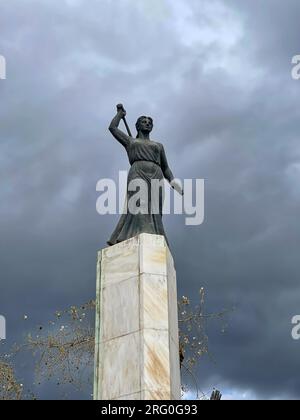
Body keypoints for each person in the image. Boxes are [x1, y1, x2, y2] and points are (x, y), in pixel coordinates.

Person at [107, 104, 183, 246]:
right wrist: (119, 115)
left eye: (149, 123)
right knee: (138, 204)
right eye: (144, 122)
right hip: (138, 173)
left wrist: (173, 182)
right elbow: (113, 128)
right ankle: (139, 235)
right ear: (137, 126)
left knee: (156, 209)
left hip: (157, 175)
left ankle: (155, 235)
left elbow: (166, 167)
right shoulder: (131, 141)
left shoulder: (158, 146)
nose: (147, 124)